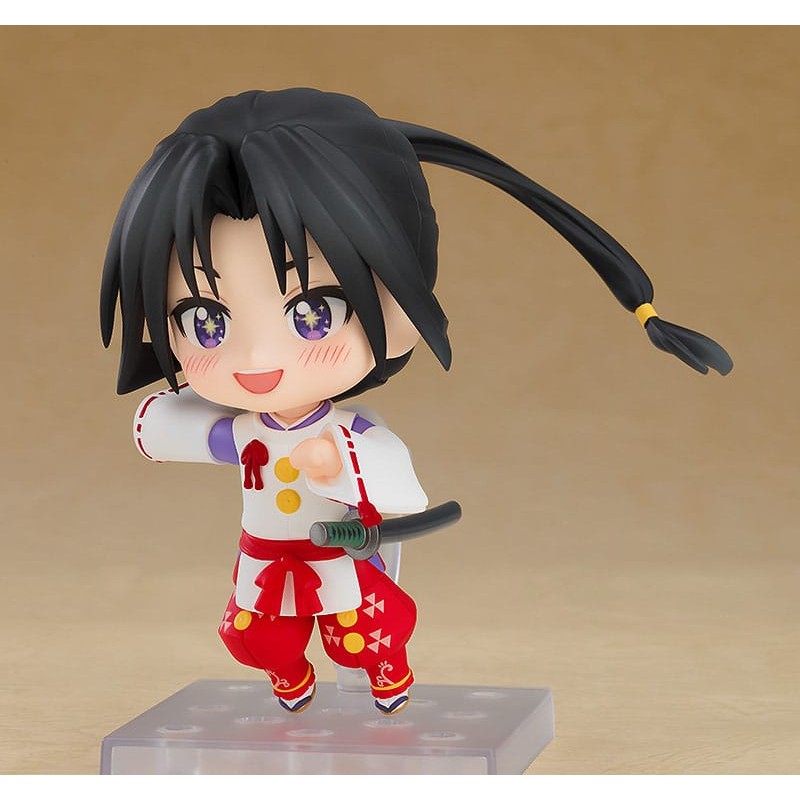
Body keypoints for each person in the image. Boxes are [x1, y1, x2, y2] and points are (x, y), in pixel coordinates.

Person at [100, 88, 732, 714]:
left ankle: (388, 675)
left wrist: (339, 467)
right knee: (255, 636)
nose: (258, 358)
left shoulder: (348, 434)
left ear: (397, 307)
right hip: (264, 559)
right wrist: (162, 426)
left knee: (363, 632)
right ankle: (289, 678)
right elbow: (187, 432)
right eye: (205, 322)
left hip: (336, 554)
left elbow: (397, 483)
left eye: (314, 312)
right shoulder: (242, 435)